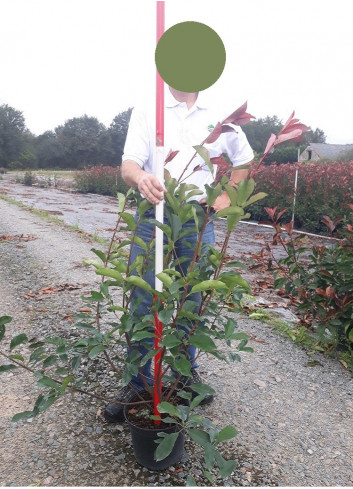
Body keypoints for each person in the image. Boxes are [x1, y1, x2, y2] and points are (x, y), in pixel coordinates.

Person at [104, 86, 254, 422]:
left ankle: (186, 374)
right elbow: (128, 164)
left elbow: (244, 159)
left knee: (193, 296)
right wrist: (142, 177)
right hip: (152, 211)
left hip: (199, 216)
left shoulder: (221, 111)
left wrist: (227, 197)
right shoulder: (149, 105)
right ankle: (139, 382)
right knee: (142, 294)